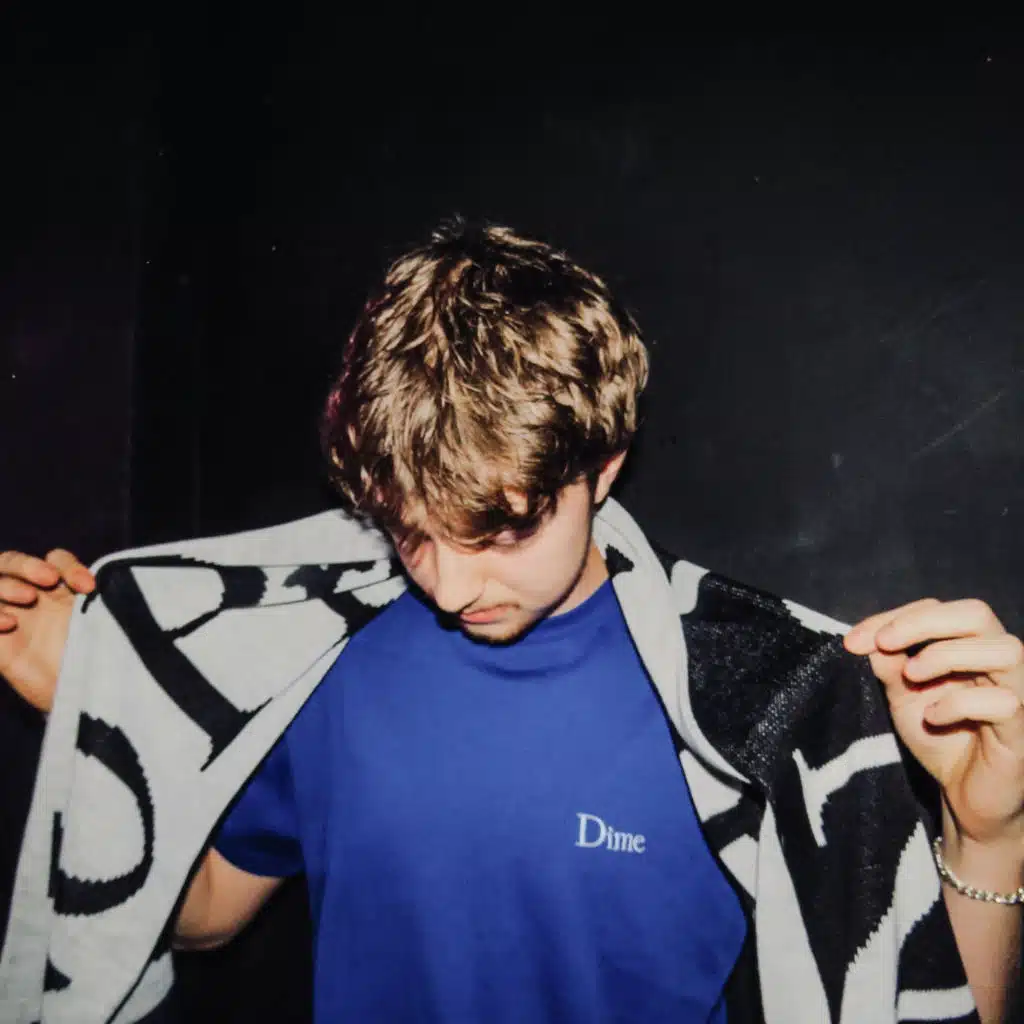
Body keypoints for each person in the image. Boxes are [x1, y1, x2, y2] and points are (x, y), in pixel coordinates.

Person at [1, 220, 1022, 1024]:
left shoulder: (746, 694)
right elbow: (206, 916)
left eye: (498, 530)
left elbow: (908, 998)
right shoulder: (315, 648)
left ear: (602, 467)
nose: (450, 588)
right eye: (411, 532)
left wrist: (990, 839)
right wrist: (95, 719)